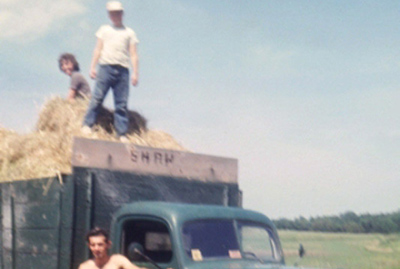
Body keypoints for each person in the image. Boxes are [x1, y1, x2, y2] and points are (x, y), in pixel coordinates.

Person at [82, 1, 139, 142]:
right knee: (97, 98)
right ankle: (87, 124)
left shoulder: (129, 32)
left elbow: (133, 54)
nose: (116, 16)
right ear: (109, 15)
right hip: (105, 67)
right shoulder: (104, 30)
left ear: (122, 14)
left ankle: (121, 133)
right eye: (113, 13)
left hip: (123, 70)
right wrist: (92, 67)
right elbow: (98, 49)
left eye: (118, 13)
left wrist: (135, 73)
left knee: (121, 104)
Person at [79, 227, 145, 269]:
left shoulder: (118, 261)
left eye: (100, 245)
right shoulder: (85, 267)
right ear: (89, 246)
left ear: (108, 244)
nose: (96, 249)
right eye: (93, 245)